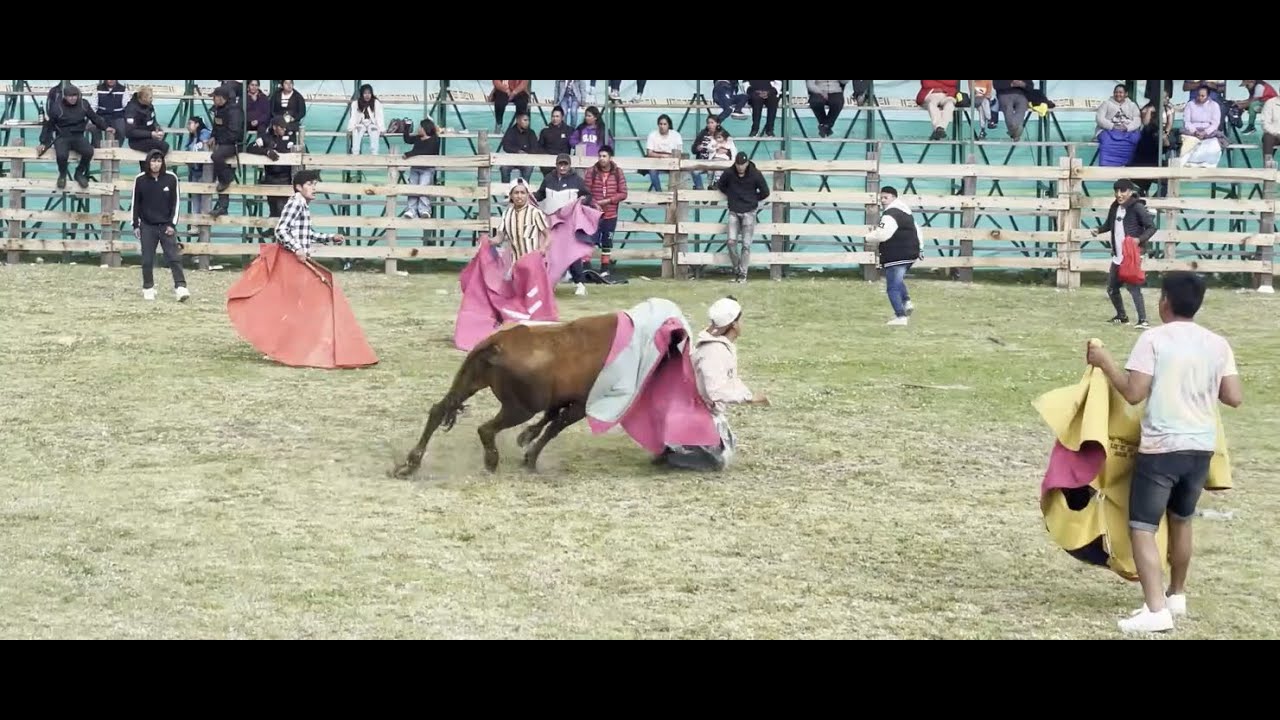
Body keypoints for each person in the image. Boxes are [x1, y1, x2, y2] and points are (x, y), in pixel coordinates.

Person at [1085, 271, 1243, 634]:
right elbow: (1234, 397)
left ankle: (1156, 610)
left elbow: (1134, 392)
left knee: (1142, 525)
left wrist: (1105, 361)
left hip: (1161, 448)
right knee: (1182, 519)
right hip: (1200, 448)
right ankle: (1177, 595)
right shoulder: (1217, 344)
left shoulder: (1152, 339)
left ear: (1165, 302)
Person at [661, 296, 769, 471]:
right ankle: (676, 449)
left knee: (725, 450)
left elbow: (730, 380)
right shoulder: (713, 351)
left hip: (703, 413)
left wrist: (748, 394)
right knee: (716, 461)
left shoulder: (719, 346)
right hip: (697, 414)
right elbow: (715, 391)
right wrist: (749, 398)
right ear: (734, 324)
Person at [1091, 179, 1156, 328]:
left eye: (1123, 191)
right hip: (1118, 256)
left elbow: (1151, 227)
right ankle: (1122, 316)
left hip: (1131, 255)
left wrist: (1139, 240)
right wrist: (1099, 230)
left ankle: (1143, 320)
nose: (1119, 195)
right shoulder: (1114, 207)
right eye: (1116, 191)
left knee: (1133, 288)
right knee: (1112, 288)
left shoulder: (1137, 207)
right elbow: (1109, 224)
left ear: (1130, 192)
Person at [131, 150, 189, 302]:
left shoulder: (171, 178)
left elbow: (175, 203)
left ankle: (181, 287)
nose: (156, 164)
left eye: (159, 161)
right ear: (148, 162)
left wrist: (172, 224)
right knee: (147, 259)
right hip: (147, 226)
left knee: (173, 257)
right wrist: (135, 224)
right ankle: (148, 287)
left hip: (165, 225)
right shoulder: (140, 179)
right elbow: (135, 203)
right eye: (153, 161)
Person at [535, 153, 593, 295]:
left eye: (565, 164)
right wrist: (529, 197)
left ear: (569, 165)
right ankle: (551, 283)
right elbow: (540, 194)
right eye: (560, 164)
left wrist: (582, 202)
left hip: (568, 223)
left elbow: (588, 196)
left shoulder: (577, 180)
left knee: (571, 253)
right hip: (552, 222)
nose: (562, 167)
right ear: (556, 165)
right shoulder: (548, 178)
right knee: (551, 253)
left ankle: (580, 283)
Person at [864, 186, 922, 325]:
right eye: (881, 198)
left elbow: (883, 234)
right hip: (910, 253)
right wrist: (921, 248)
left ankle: (900, 317)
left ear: (894, 197)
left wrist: (868, 237)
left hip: (897, 254)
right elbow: (917, 229)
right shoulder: (906, 211)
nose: (883, 200)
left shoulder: (890, 214)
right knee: (898, 280)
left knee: (892, 287)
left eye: (886, 197)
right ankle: (906, 302)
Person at [36, 83, 112, 190]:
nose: (73, 98)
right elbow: (49, 125)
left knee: (89, 151)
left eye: (75, 96)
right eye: (70, 96)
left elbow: (94, 117)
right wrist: (43, 142)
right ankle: (62, 175)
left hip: (78, 136)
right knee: (62, 155)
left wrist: (105, 127)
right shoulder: (57, 107)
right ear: (65, 97)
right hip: (62, 136)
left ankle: (79, 172)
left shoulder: (83, 104)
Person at [715, 151, 770, 283]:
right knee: (731, 242)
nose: (740, 167)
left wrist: (752, 199)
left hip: (749, 211)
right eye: (738, 164)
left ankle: (743, 274)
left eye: (743, 164)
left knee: (746, 245)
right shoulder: (729, 173)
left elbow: (765, 192)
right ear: (735, 163)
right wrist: (732, 195)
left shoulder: (755, 174)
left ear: (747, 163)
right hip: (734, 210)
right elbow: (721, 185)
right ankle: (737, 269)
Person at [275, 170, 346, 258]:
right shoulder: (296, 203)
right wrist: (297, 249)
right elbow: (281, 230)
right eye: (309, 184)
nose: (314, 188)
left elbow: (308, 234)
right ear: (299, 187)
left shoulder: (302, 204)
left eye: (314, 184)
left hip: (298, 259)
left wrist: (332, 237)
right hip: (290, 259)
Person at [208, 86, 245, 217]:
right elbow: (216, 126)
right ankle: (223, 206)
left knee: (216, 157)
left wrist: (220, 141)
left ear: (221, 98)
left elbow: (234, 133)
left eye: (214, 97)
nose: (213, 99)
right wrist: (213, 136)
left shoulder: (234, 111)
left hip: (233, 144)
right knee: (219, 173)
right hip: (223, 142)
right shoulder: (219, 109)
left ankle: (228, 178)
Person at [496, 178, 548, 268]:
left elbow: (548, 235)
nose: (519, 196)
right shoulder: (507, 213)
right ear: (511, 195)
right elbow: (500, 237)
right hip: (515, 264)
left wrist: (543, 248)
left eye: (522, 193)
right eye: (516, 193)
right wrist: (488, 241)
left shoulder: (535, 212)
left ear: (528, 195)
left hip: (533, 264)